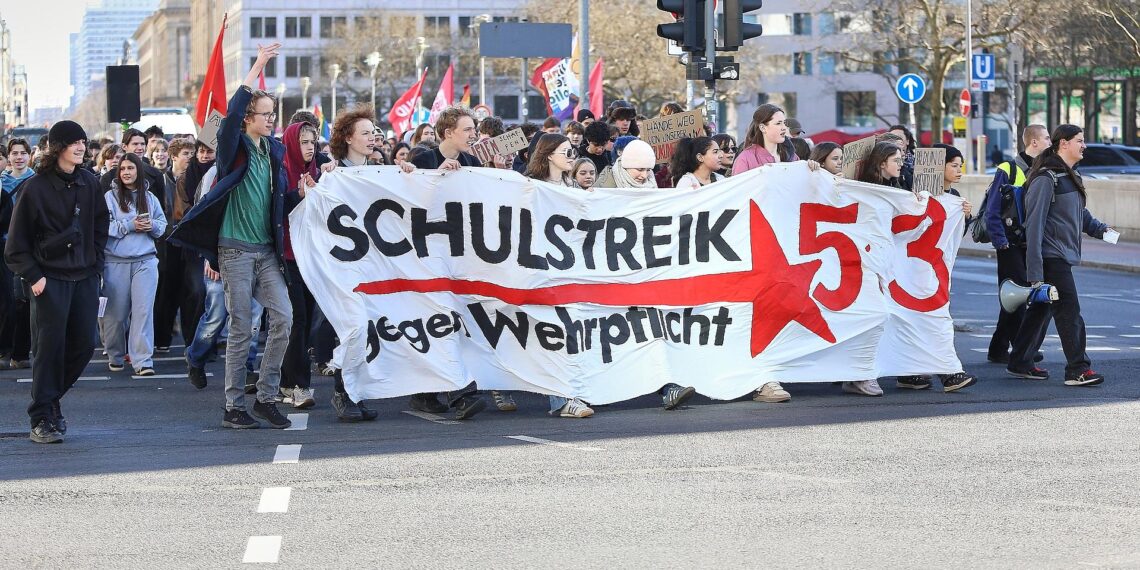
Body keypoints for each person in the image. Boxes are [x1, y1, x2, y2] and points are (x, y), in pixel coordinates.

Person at [168, 43, 294, 430]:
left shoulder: (274, 150)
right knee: (241, 326)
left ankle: (266, 398)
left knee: (284, 319)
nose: (271, 120)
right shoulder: (233, 148)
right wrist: (257, 65)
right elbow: (231, 114)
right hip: (235, 252)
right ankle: (233, 405)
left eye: (273, 114)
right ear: (248, 119)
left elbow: (278, 200)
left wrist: (302, 193)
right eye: (265, 114)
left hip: (266, 252)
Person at [4, 120, 109, 444]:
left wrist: (96, 265)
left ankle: (49, 401)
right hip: (49, 280)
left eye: (83, 142)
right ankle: (41, 418)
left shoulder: (89, 183)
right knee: (48, 351)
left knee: (84, 345)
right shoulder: (34, 188)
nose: (80, 147)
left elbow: (100, 226)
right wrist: (34, 277)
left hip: (84, 276)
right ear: (58, 147)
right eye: (74, 142)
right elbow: (15, 245)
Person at [1007, 125, 1111, 387]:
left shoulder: (1070, 175)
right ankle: (1077, 369)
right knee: (1069, 312)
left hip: (1061, 254)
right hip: (1050, 256)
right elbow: (1034, 225)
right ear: (1063, 143)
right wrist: (1035, 272)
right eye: (1080, 141)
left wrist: (1105, 232)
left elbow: (1079, 214)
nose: (1084, 146)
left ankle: (1020, 361)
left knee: (1041, 309)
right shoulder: (1046, 178)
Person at [405, 105, 487, 419]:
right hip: (427, 255)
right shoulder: (423, 160)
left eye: (474, 129)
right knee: (440, 320)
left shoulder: (472, 162)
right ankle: (459, 393)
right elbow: (411, 203)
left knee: (454, 322)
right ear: (448, 132)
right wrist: (438, 177)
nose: (473, 135)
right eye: (467, 129)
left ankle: (427, 393)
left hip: (459, 255)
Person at [984, 124, 1049, 364]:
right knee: (1019, 295)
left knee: (1012, 297)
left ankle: (998, 348)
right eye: (1047, 138)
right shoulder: (1008, 169)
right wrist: (1000, 241)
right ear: (1034, 142)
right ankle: (1023, 348)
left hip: (1030, 244)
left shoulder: (1044, 170)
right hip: (1010, 244)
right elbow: (992, 209)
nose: (1050, 142)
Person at [100, 153, 167, 376]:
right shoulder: (109, 197)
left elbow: (162, 224)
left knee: (143, 312)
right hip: (115, 262)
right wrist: (129, 226)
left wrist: (151, 226)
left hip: (145, 260)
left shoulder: (150, 197)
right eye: (122, 169)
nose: (126, 172)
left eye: (130, 168)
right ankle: (115, 354)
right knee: (116, 315)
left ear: (139, 170)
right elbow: (103, 226)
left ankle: (143, 361)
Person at [279, 121, 324, 412]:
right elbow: (275, 209)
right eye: (304, 142)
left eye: (312, 142)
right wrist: (298, 195)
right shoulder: (280, 171)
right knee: (297, 319)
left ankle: (285, 379)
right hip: (286, 257)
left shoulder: (319, 171)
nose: (309, 148)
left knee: (306, 321)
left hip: (312, 257)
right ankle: (297, 384)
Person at [733, 104, 799, 175]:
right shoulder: (745, 159)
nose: (784, 128)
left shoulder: (791, 156)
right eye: (778, 123)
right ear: (763, 128)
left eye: (784, 123)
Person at [887, 125, 916, 191]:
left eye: (899, 138)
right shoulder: (884, 163)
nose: (895, 141)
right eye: (891, 138)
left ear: (907, 141)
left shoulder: (917, 163)